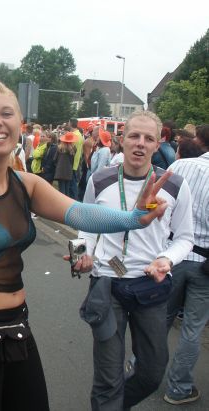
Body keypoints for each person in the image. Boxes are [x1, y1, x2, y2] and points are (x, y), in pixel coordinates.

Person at [0, 83, 172, 411]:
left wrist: (134, 218)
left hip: (18, 326)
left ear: (19, 123)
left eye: (6, 113)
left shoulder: (27, 184)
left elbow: (79, 213)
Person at [72, 110, 194, 411]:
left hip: (149, 287)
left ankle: (112, 404)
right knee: (108, 377)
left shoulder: (174, 184)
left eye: (148, 138)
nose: (140, 143)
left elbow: (185, 237)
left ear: (157, 144)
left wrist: (166, 258)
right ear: (122, 139)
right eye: (134, 136)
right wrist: (82, 253)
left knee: (152, 372)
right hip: (107, 282)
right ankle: (109, 402)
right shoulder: (100, 180)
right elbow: (86, 224)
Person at [164, 124, 209, 405]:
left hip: (173, 254)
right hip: (204, 263)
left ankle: (141, 369)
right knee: (193, 328)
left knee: (160, 318)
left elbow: (159, 205)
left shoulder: (180, 166)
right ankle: (178, 388)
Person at [54, 131, 77, 196]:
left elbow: (55, 159)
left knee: (61, 189)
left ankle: (62, 201)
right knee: (67, 189)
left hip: (60, 170)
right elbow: (72, 160)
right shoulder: (74, 149)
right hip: (69, 170)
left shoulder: (59, 148)